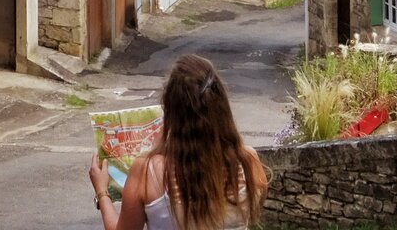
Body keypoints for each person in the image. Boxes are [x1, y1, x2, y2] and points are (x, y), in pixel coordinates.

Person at [89, 54, 268, 230]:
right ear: (222, 107)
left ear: (169, 110)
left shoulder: (147, 171)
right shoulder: (248, 161)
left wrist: (102, 192)